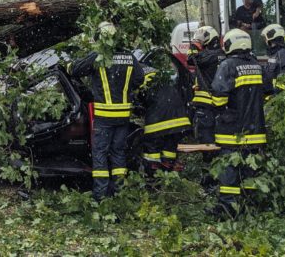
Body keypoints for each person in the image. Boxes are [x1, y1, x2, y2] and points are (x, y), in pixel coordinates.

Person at [66, 21, 146, 201]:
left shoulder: (99, 55)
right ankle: (119, 191)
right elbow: (139, 79)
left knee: (100, 154)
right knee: (118, 153)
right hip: (123, 117)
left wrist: (68, 65)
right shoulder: (129, 57)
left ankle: (101, 196)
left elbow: (77, 70)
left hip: (104, 117)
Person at [211, 29, 273, 217]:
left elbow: (219, 99)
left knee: (229, 172)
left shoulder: (227, 66)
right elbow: (269, 93)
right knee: (249, 171)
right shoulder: (257, 65)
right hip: (255, 131)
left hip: (232, 132)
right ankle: (248, 207)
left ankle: (227, 209)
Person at [139, 53, 192, 174]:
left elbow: (135, 97)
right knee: (169, 148)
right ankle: (168, 174)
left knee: (151, 150)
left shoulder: (136, 72)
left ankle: (151, 176)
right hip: (179, 115)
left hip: (159, 117)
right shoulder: (154, 71)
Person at [186, 26, 225, 144]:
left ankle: (209, 156)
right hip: (222, 100)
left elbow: (190, 59)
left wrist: (193, 47)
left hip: (206, 101)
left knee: (206, 133)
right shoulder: (223, 54)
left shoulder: (207, 56)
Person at [261, 23, 285, 96]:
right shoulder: (274, 53)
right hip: (270, 92)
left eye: (265, 38)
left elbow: (283, 75)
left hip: (277, 95)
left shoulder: (282, 52)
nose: (265, 40)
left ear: (271, 36)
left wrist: (276, 93)